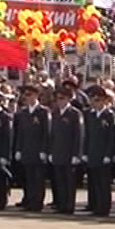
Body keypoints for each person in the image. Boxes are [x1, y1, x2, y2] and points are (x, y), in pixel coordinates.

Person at [13, 85, 51, 212]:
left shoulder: (43, 112)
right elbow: (20, 133)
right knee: (28, 178)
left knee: (38, 179)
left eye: (29, 95)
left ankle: (37, 202)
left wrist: (44, 150)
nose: (27, 98)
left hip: (38, 150)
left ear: (36, 96)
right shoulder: (23, 112)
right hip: (27, 150)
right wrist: (18, 149)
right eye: (26, 95)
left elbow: (46, 132)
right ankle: (29, 201)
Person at [50, 86, 84, 215]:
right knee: (59, 181)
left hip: (70, 153)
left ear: (69, 99)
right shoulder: (55, 113)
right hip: (58, 152)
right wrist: (50, 151)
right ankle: (61, 205)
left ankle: (69, 206)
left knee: (69, 182)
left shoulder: (75, 114)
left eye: (62, 98)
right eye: (57, 98)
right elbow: (51, 134)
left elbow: (79, 135)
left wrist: (77, 154)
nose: (59, 101)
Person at [84, 87, 115, 217]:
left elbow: (112, 137)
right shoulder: (90, 115)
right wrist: (85, 152)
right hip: (92, 153)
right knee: (94, 182)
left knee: (103, 183)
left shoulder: (109, 115)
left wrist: (109, 154)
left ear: (104, 101)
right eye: (92, 100)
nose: (94, 103)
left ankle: (104, 207)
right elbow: (87, 136)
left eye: (97, 100)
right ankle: (95, 205)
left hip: (104, 155)